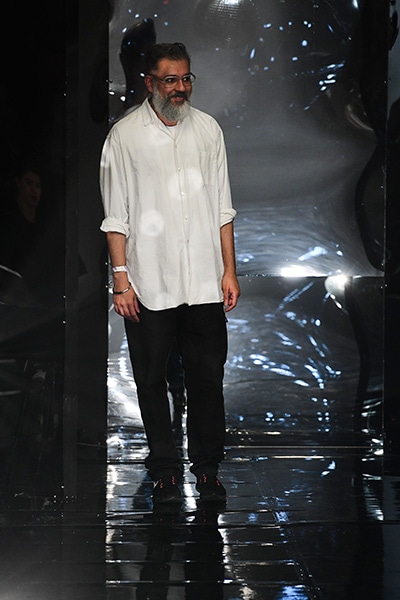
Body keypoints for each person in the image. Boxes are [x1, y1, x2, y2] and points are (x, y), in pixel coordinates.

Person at [100, 42, 240, 504]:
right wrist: (121, 280)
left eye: (185, 79)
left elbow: (222, 209)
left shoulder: (208, 130)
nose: (180, 88)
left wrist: (229, 270)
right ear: (150, 83)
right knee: (150, 380)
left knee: (207, 379)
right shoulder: (125, 136)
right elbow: (116, 215)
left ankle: (207, 469)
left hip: (202, 280)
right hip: (149, 281)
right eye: (170, 80)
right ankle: (164, 469)